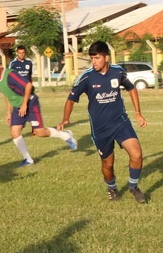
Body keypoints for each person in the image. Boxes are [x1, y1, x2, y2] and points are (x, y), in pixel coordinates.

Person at [57, 41, 147, 203]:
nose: (94, 62)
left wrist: (138, 113)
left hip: (120, 122)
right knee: (108, 164)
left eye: (97, 58)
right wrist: (65, 118)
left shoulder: (117, 72)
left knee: (137, 154)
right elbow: (71, 99)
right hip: (100, 129)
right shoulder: (86, 77)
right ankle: (112, 188)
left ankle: (133, 187)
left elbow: (131, 88)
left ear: (106, 57)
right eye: (92, 58)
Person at [0, 56, 77, 166]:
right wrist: (8, 112)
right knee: (14, 132)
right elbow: (8, 95)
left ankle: (66, 136)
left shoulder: (10, 75)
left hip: (30, 103)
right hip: (18, 107)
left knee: (39, 132)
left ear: (0, 66)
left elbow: (28, 85)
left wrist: (24, 104)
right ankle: (28, 159)